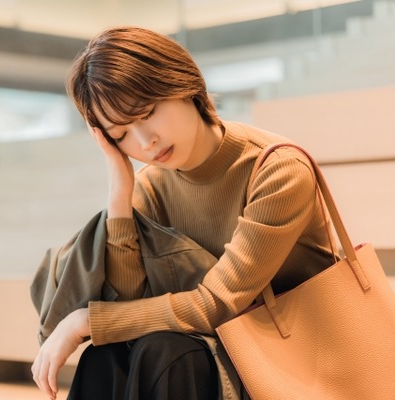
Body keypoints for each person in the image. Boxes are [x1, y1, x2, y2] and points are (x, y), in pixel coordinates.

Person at [31, 26, 336, 400]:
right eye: (121, 134)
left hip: (295, 357)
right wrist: (120, 193)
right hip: (219, 351)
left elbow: (217, 304)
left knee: (166, 351)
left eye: (147, 113)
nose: (144, 142)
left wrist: (84, 320)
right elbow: (129, 305)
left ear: (184, 83)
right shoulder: (152, 185)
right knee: (107, 353)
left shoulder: (278, 170)